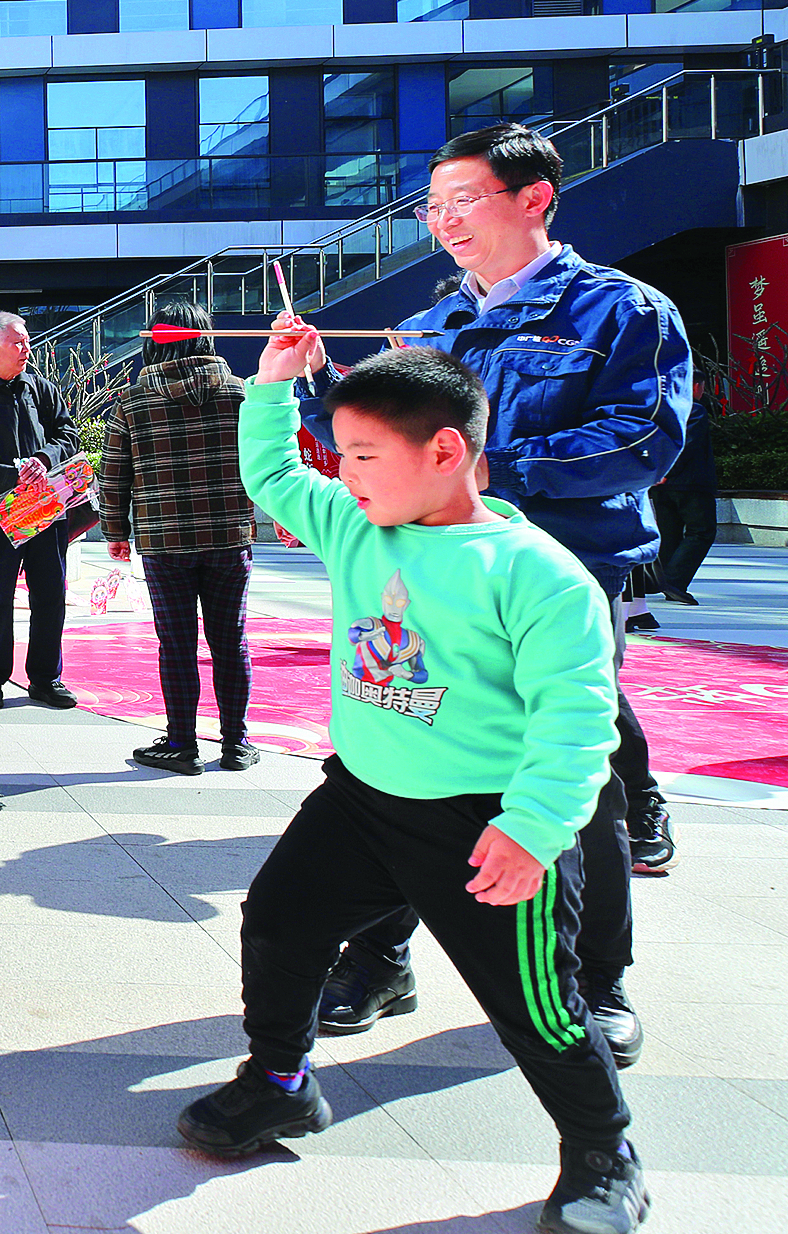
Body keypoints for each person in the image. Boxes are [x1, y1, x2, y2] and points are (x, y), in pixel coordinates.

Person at [180, 333, 645, 1234]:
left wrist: (533, 827)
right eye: (342, 453)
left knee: (537, 1007)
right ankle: (279, 1080)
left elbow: (579, 720)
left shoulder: (537, 575)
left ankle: (603, 1151)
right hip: (360, 799)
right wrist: (271, 385)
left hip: (486, 825)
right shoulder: (356, 524)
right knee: (278, 922)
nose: (345, 473)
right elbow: (272, 475)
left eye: (364, 455)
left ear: (445, 450)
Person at [300, 123, 691, 1062]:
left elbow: (642, 441)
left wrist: (479, 472)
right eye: (433, 206)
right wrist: (317, 383)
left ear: (535, 198)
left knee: (574, 774)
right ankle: (381, 955)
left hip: (561, 571)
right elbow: (375, 436)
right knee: (397, 758)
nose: (444, 221)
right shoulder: (431, 327)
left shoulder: (621, 310)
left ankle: (595, 979)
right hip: (428, 574)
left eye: (464, 200)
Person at [100, 301, 256, 775]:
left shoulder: (132, 403)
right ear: (205, 336)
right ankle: (236, 743)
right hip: (229, 535)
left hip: (163, 540)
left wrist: (115, 531)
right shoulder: (241, 394)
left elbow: (114, 475)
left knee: (177, 643)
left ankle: (182, 744)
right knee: (231, 641)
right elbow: (265, 462)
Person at [0, 311, 82, 710]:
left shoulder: (40, 388)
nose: (27, 349)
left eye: (27, 341)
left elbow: (68, 434)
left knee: (50, 595)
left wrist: (44, 458)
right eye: (17, 343)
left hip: (47, 510)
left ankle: (45, 678)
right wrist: (13, 474)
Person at [652, 368, 717, 614]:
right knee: (702, 531)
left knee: (670, 533)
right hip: (689, 483)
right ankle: (674, 581)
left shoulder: (659, 408)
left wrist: (655, 472)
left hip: (660, 484)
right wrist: (668, 471)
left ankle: (663, 581)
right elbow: (687, 445)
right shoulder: (695, 409)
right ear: (697, 386)